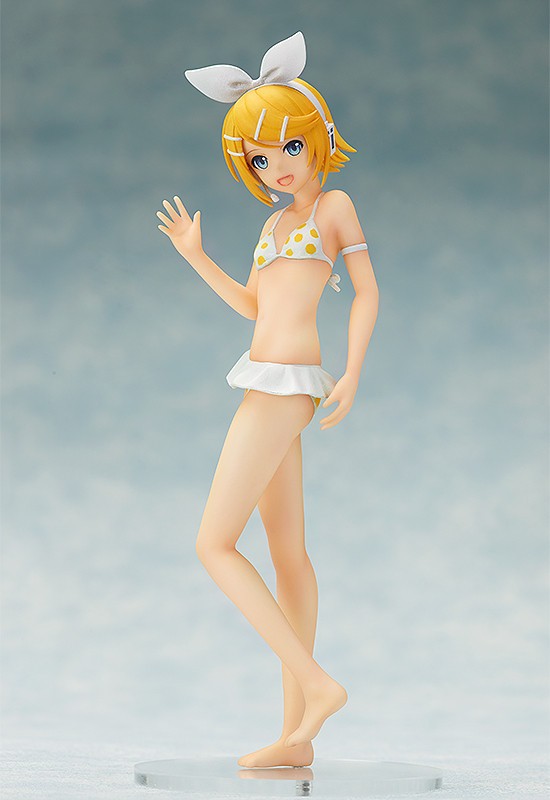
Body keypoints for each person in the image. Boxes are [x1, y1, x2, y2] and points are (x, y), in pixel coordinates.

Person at [156, 31, 379, 768]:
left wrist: (352, 372)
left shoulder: (335, 206)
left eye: (289, 146)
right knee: (287, 553)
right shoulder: (272, 223)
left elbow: (367, 293)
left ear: (317, 137)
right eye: (259, 158)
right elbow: (254, 308)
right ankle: (296, 742)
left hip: (288, 388)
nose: (278, 166)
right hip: (265, 376)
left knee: (213, 543)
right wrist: (196, 258)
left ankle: (317, 684)